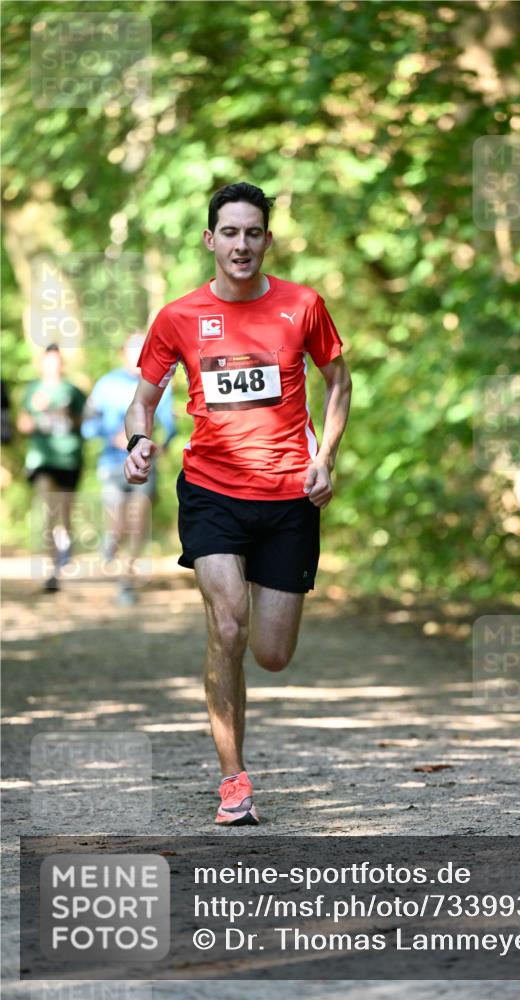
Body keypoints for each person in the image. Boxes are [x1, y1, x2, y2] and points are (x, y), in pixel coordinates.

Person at [123, 181, 352, 825]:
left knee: (273, 654)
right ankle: (234, 782)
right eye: (230, 232)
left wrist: (325, 458)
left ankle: (242, 723)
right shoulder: (179, 317)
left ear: (267, 240)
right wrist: (140, 442)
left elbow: (338, 382)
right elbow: (143, 400)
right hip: (211, 491)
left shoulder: (303, 306)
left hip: (288, 497)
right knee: (227, 624)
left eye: (253, 232)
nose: (242, 244)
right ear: (209, 239)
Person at [83, 333, 176, 605]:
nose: (137, 359)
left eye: (141, 352)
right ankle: (111, 540)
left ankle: (127, 580)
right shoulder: (106, 384)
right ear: (122, 354)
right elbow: (88, 425)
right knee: (118, 521)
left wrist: (159, 443)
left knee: (138, 520)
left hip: (144, 463)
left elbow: (169, 425)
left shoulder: (161, 384)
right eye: (132, 352)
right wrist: (112, 437)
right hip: (112, 464)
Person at [17, 344, 86, 592]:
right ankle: (51, 571)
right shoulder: (33, 390)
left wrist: (69, 415)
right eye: (49, 361)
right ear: (42, 363)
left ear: (62, 363)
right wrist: (37, 410)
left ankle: (64, 551)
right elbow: (22, 425)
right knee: (48, 510)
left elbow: (85, 423)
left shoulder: (73, 391)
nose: (53, 366)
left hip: (69, 459)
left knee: (64, 515)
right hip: (42, 459)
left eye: (57, 361)